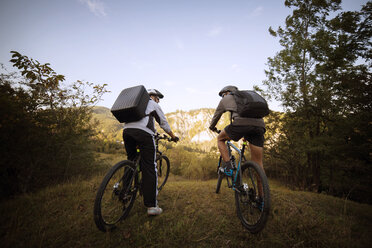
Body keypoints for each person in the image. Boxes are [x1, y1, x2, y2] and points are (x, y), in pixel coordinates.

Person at [123, 88, 179, 216]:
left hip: (127, 132)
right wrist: (173, 136)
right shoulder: (152, 104)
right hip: (143, 134)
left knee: (130, 161)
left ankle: (124, 192)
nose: (158, 101)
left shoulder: (135, 103)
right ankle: (151, 206)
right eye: (158, 98)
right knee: (149, 166)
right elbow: (163, 123)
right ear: (153, 96)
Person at [209, 85, 266, 207]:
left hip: (241, 124)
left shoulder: (226, 98)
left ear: (226, 92)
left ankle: (229, 167)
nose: (223, 96)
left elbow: (216, 116)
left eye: (223, 94)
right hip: (260, 126)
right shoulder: (247, 98)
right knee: (258, 164)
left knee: (220, 139)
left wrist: (212, 127)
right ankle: (261, 199)